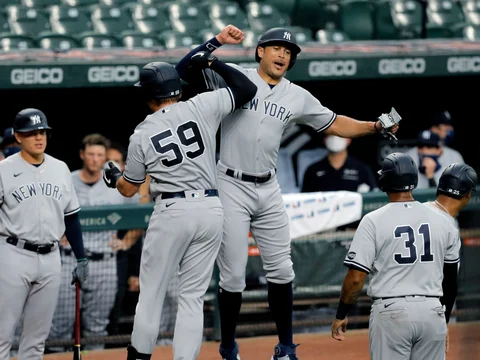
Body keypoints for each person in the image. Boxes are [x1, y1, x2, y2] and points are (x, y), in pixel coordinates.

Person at [175, 25, 400, 360]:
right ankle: (228, 345)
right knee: (234, 274)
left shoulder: (297, 96)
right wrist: (217, 42)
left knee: (282, 270)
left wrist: (374, 126)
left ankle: (285, 347)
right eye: (276, 48)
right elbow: (183, 69)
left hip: (268, 186)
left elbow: (335, 122)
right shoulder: (234, 75)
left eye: (289, 51)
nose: (283, 54)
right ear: (260, 51)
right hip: (230, 183)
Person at [102, 56, 257, 360]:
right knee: (192, 298)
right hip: (211, 208)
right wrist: (214, 62)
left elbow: (129, 188)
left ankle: (140, 357)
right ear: (178, 89)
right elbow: (246, 88)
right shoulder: (201, 105)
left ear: (148, 96)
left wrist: (114, 178)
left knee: (151, 295)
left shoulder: (142, 133)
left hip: (172, 209)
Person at [330, 153, 471, 360]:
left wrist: (341, 313)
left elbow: (356, 278)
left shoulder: (373, 220)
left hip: (391, 312)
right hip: (432, 312)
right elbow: (450, 281)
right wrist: (444, 321)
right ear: (414, 181)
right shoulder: (443, 220)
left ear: (384, 182)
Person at [0, 108, 88, 360]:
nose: (39, 138)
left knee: (37, 339)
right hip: (12, 254)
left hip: (51, 257)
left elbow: (71, 217)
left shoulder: (60, 168)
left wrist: (81, 257)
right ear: (18, 137)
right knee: (2, 335)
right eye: (31, 133)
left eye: (42, 132)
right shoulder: (3, 169)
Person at [48, 134, 136, 351]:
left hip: (104, 261)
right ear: (82, 155)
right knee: (60, 326)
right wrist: (56, 232)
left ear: (105, 157)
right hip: (69, 260)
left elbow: (140, 214)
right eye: (91, 154)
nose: (95, 159)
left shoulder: (116, 182)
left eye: (99, 155)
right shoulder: (67, 179)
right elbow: (46, 210)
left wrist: (126, 242)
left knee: (97, 329)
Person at [301, 134, 377, 193]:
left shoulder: (362, 170)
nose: (335, 138)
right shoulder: (313, 171)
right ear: (324, 140)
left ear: (349, 140)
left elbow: (372, 198)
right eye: (331, 134)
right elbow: (304, 201)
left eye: (340, 134)